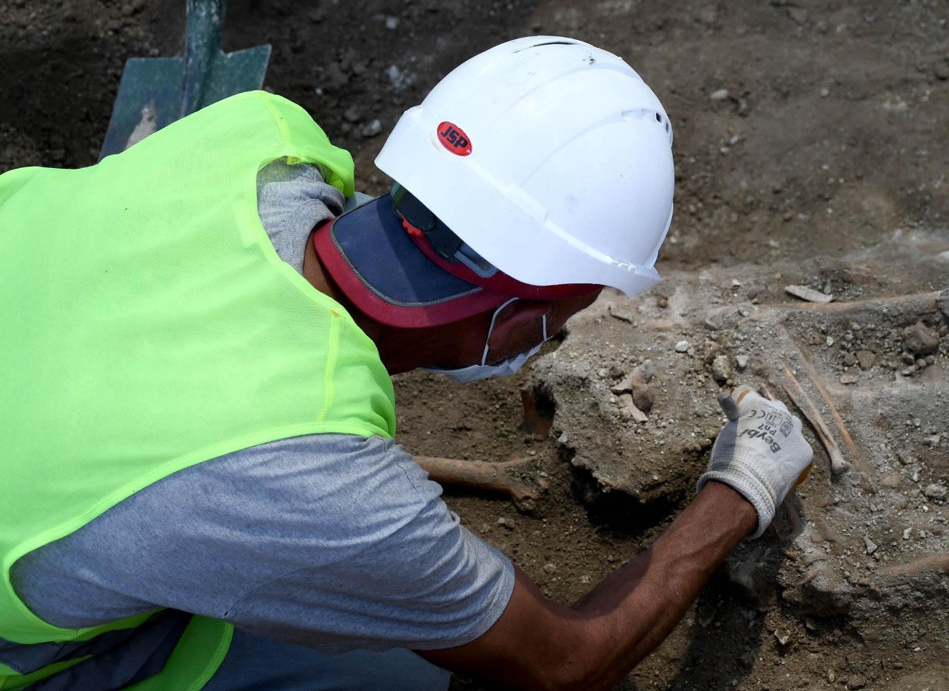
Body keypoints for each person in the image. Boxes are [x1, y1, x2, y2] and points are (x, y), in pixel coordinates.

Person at [0, 36, 812, 691]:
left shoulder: (253, 131)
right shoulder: (311, 475)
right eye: (563, 319)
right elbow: (565, 661)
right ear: (514, 322)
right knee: (398, 673)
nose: (554, 339)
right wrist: (738, 497)